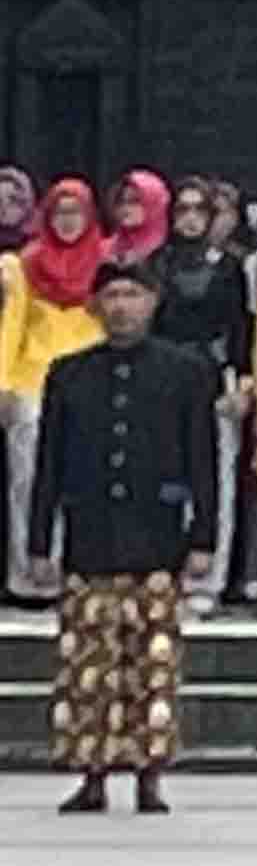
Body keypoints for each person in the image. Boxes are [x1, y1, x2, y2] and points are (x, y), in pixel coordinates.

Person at [27, 255, 219, 815]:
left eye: (132, 296)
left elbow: (201, 460)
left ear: (152, 303)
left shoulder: (184, 372)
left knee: (150, 664)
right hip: (90, 538)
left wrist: (203, 535)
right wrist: (41, 541)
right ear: (96, 306)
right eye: (112, 298)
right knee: (88, 665)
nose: (122, 308)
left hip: (156, 537)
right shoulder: (69, 373)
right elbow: (49, 465)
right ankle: (90, 775)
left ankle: (148, 775)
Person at [2, 175, 114, 607]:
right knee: (29, 483)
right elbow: (12, 325)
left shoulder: (105, 262)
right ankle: (31, 578)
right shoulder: (24, 263)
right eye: (60, 213)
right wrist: (3, 384)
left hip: (92, 381)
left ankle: (83, 573)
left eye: (76, 213)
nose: (68, 222)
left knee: (89, 482)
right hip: (33, 383)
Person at [150, 182, 254, 608]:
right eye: (183, 210)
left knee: (217, 477)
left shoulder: (231, 266)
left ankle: (208, 579)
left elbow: (241, 327)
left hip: (214, 378)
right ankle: (165, 567)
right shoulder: (157, 263)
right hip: (165, 380)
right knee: (167, 478)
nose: (190, 219)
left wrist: (244, 379)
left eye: (199, 211)